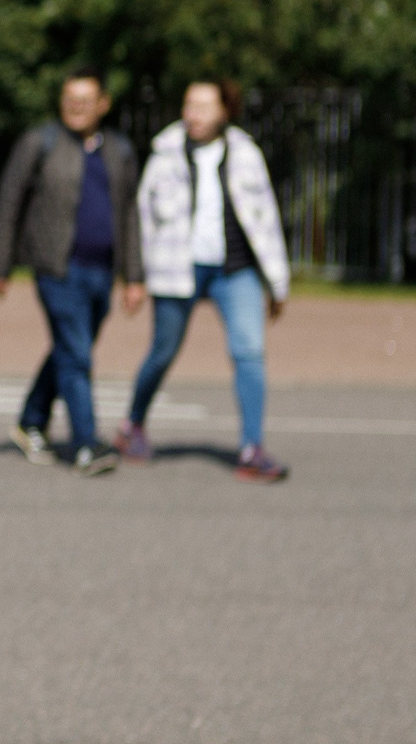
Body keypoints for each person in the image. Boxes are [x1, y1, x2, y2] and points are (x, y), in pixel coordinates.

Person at [115, 79, 291, 482]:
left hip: (235, 269)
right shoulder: (165, 153)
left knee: (249, 352)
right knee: (163, 350)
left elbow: (266, 218)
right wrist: (135, 278)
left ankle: (251, 448)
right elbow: (142, 217)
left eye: (203, 106)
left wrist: (277, 283)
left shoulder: (246, 154)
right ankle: (133, 425)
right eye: (188, 105)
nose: (192, 114)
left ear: (224, 111)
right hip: (178, 267)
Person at [0, 69, 145, 474]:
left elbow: (129, 213)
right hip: (56, 267)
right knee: (76, 352)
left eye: (85, 100)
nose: (76, 106)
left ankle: (30, 421)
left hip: (102, 270)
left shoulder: (119, 150)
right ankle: (86, 443)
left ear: (103, 104)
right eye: (69, 98)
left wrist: (134, 276)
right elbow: (9, 200)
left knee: (70, 349)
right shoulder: (40, 142)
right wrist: (0, 263)